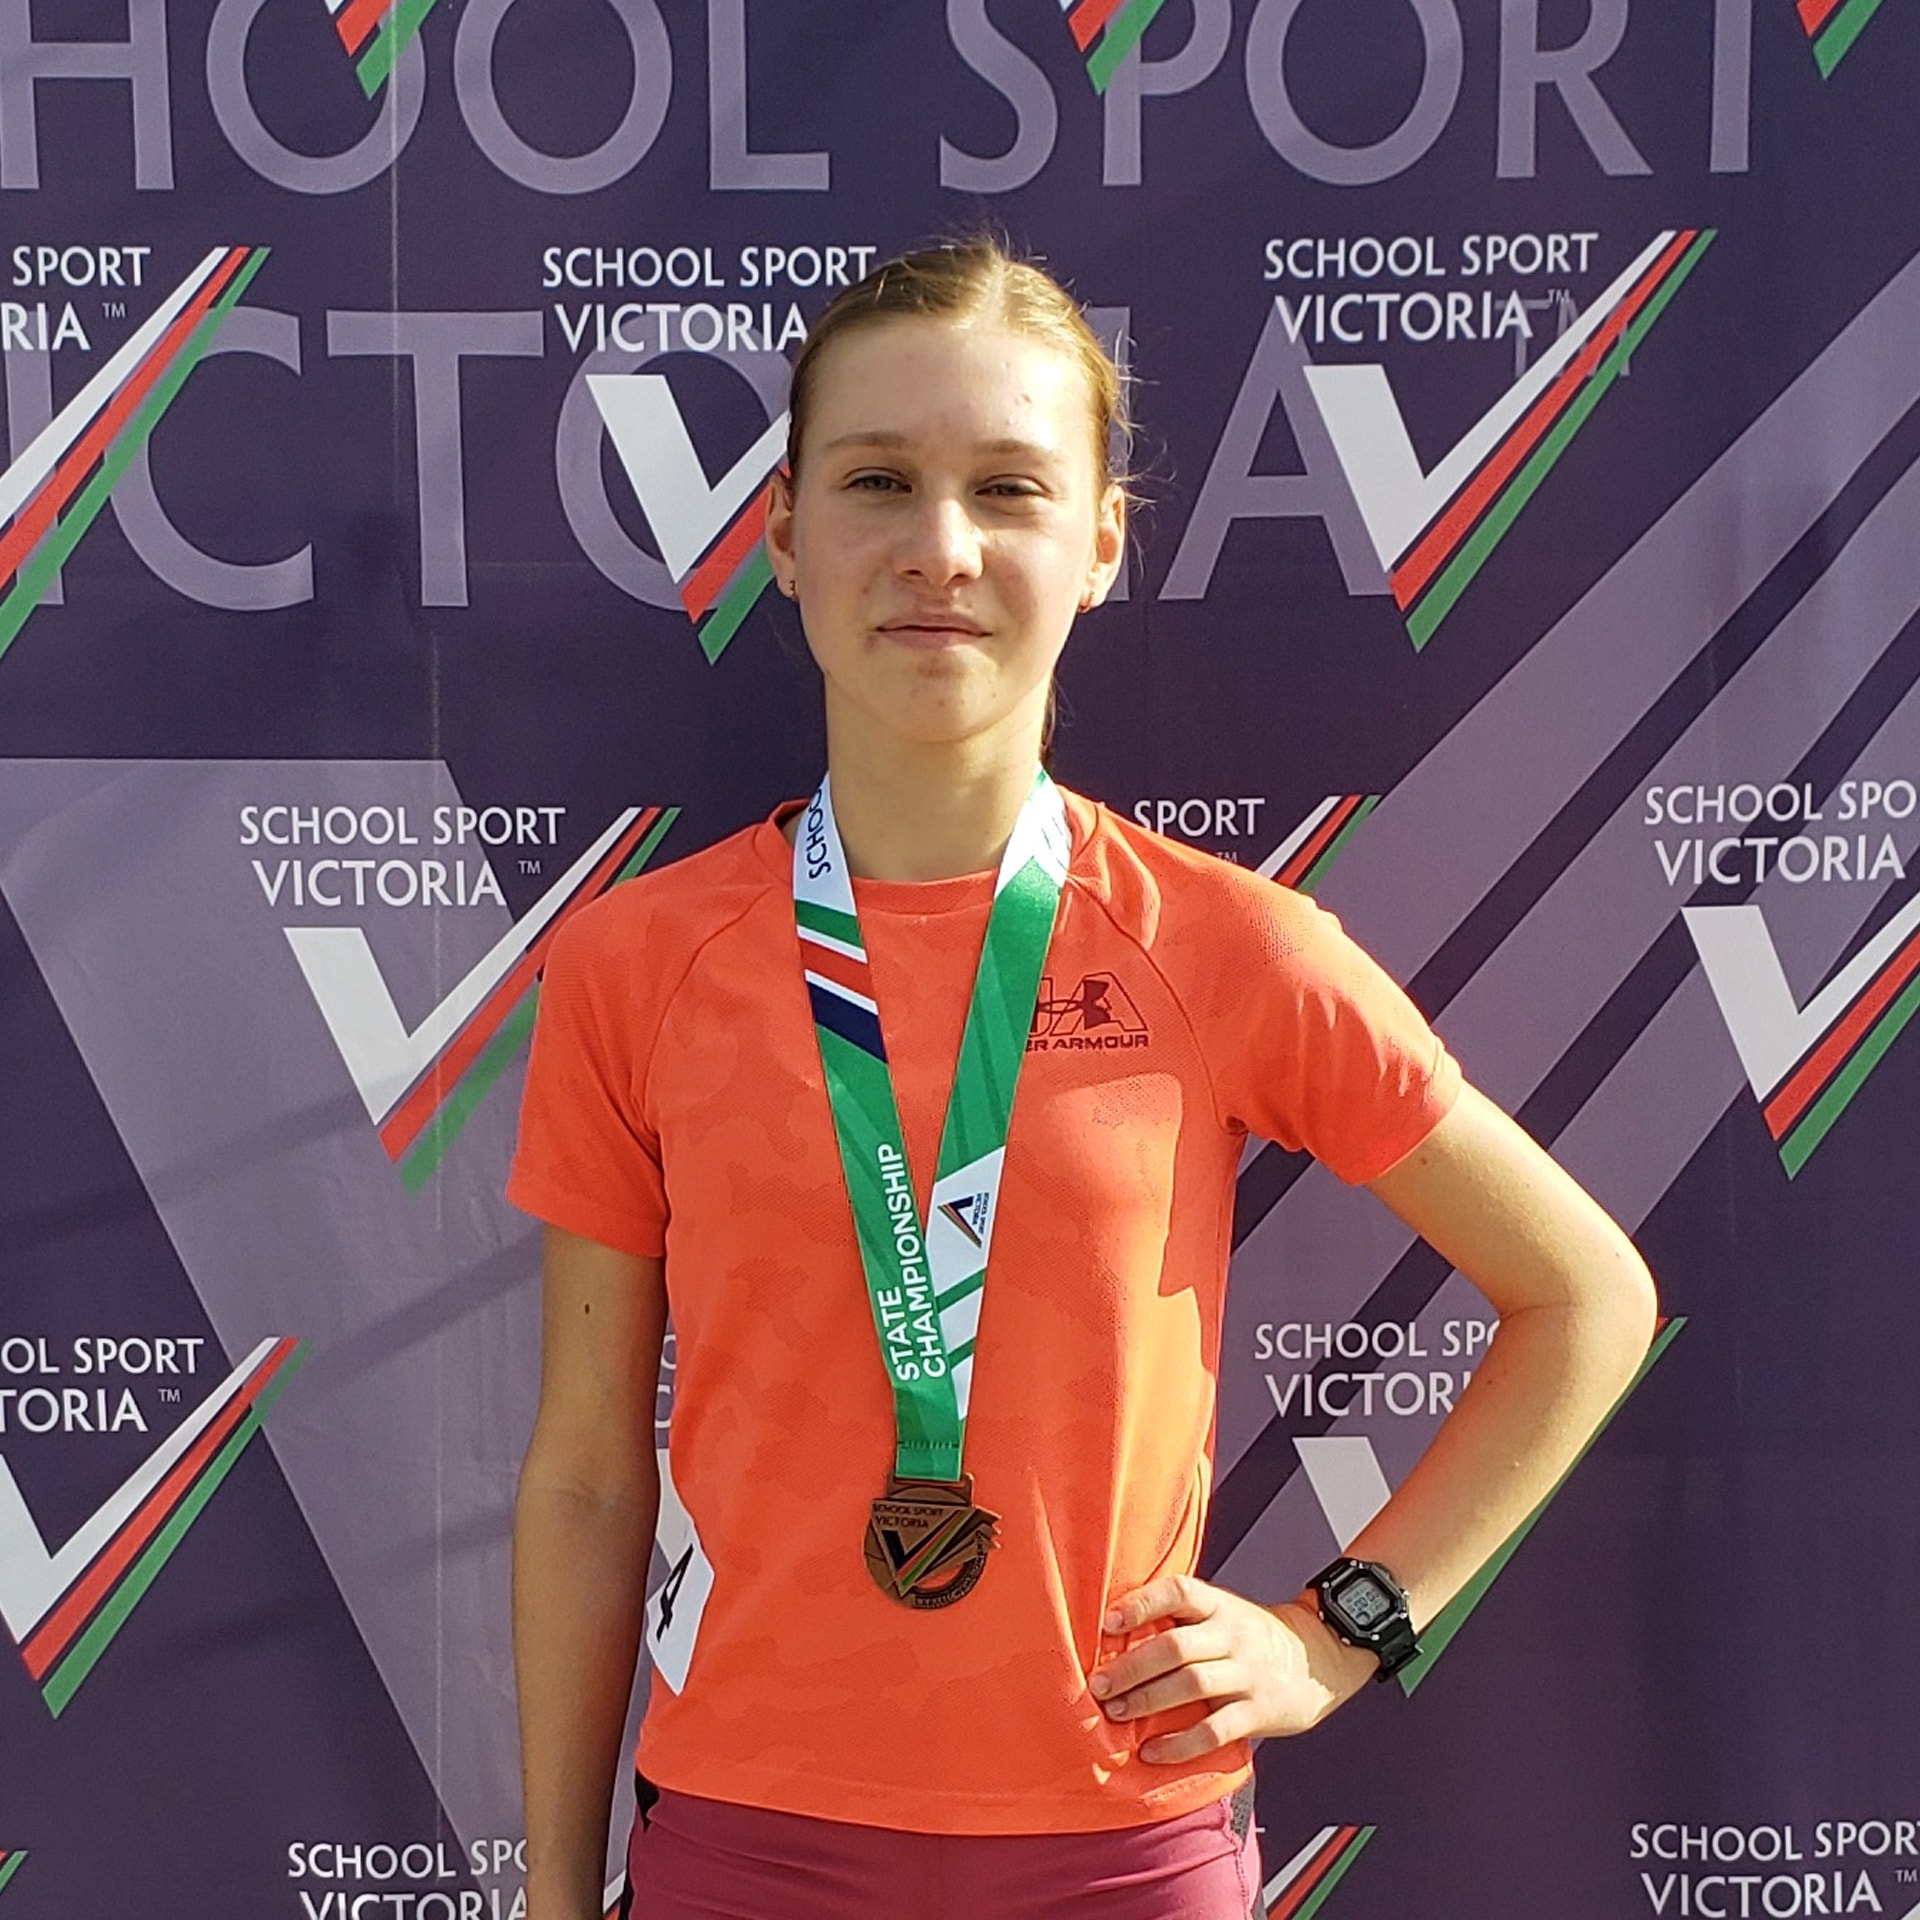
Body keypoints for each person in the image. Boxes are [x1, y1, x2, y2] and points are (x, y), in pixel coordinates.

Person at [507, 239, 1658, 1920]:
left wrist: (1340, 1633)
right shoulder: (635, 963)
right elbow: (590, 1474)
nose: (940, 546)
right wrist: (554, 1886)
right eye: (877, 480)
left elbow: (1586, 1297)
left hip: (1124, 1848)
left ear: (1102, 543)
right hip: (747, 1841)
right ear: (784, 538)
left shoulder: (1226, 946)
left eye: (1009, 488)